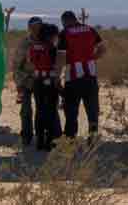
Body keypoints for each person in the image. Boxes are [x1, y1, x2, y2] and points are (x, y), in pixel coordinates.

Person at [57, 11, 105, 139]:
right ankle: (93, 138)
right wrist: (92, 58)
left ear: (65, 21)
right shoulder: (90, 30)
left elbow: (61, 57)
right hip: (91, 76)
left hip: (73, 78)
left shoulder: (64, 33)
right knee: (92, 111)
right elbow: (102, 49)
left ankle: (70, 139)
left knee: (71, 112)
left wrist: (57, 76)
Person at [28, 23, 63, 152]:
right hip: (50, 81)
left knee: (39, 110)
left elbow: (31, 61)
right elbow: (57, 65)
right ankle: (49, 141)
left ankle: (39, 140)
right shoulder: (52, 48)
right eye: (55, 35)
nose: (56, 38)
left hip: (37, 81)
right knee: (51, 111)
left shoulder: (33, 47)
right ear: (50, 36)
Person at [14, 16, 44, 147]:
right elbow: (16, 65)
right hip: (26, 81)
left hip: (43, 81)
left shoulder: (47, 42)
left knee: (42, 110)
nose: (37, 29)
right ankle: (26, 136)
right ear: (29, 28)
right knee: (26, 111)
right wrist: (20, 83)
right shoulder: (24, 43)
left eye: (39, 27)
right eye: (34, 27)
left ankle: (41, 136)